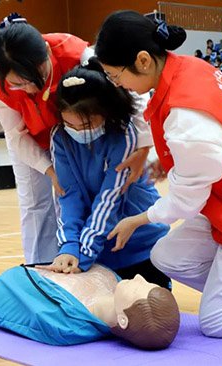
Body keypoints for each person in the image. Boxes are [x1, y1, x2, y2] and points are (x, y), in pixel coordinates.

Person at [95, 10, 222, 339]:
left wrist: (139, 219)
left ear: (143, 61)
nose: (116, 83)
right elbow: (212, 140)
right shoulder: (186, 68)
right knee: (169, 256)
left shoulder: (184, 111)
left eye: (114, 74)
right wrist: (171, 161)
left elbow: (187, 200)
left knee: (219, 321)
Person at [0, 13, 150, 263]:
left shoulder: (78, 54)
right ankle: (41, 265)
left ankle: (81, 252)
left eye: (33, 79)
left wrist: (145, 146)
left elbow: (132, 93)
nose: (30, 89)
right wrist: (48, 170)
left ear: (47, 52)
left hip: (78, 133)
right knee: (34, 204)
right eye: (18, 84)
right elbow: (15, 135)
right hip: (35, 139)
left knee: (82, 195)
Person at [39, 60, 171, 289]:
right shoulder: (60, 138)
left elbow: (110, 199)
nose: (78, 132)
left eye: (86, 125)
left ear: (106, 113)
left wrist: (84, 253)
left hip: (140, 242)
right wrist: (70, 246)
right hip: (99, 246)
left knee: (145, 312)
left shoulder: (124, 135)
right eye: (71, 125)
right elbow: (68, 195)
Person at [0, 263, 180, 349]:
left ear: (123, 318)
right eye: (146, 282)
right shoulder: (114, 283)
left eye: (139, 288)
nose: (138, 277)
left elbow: (5, 288)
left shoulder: (64, 323)